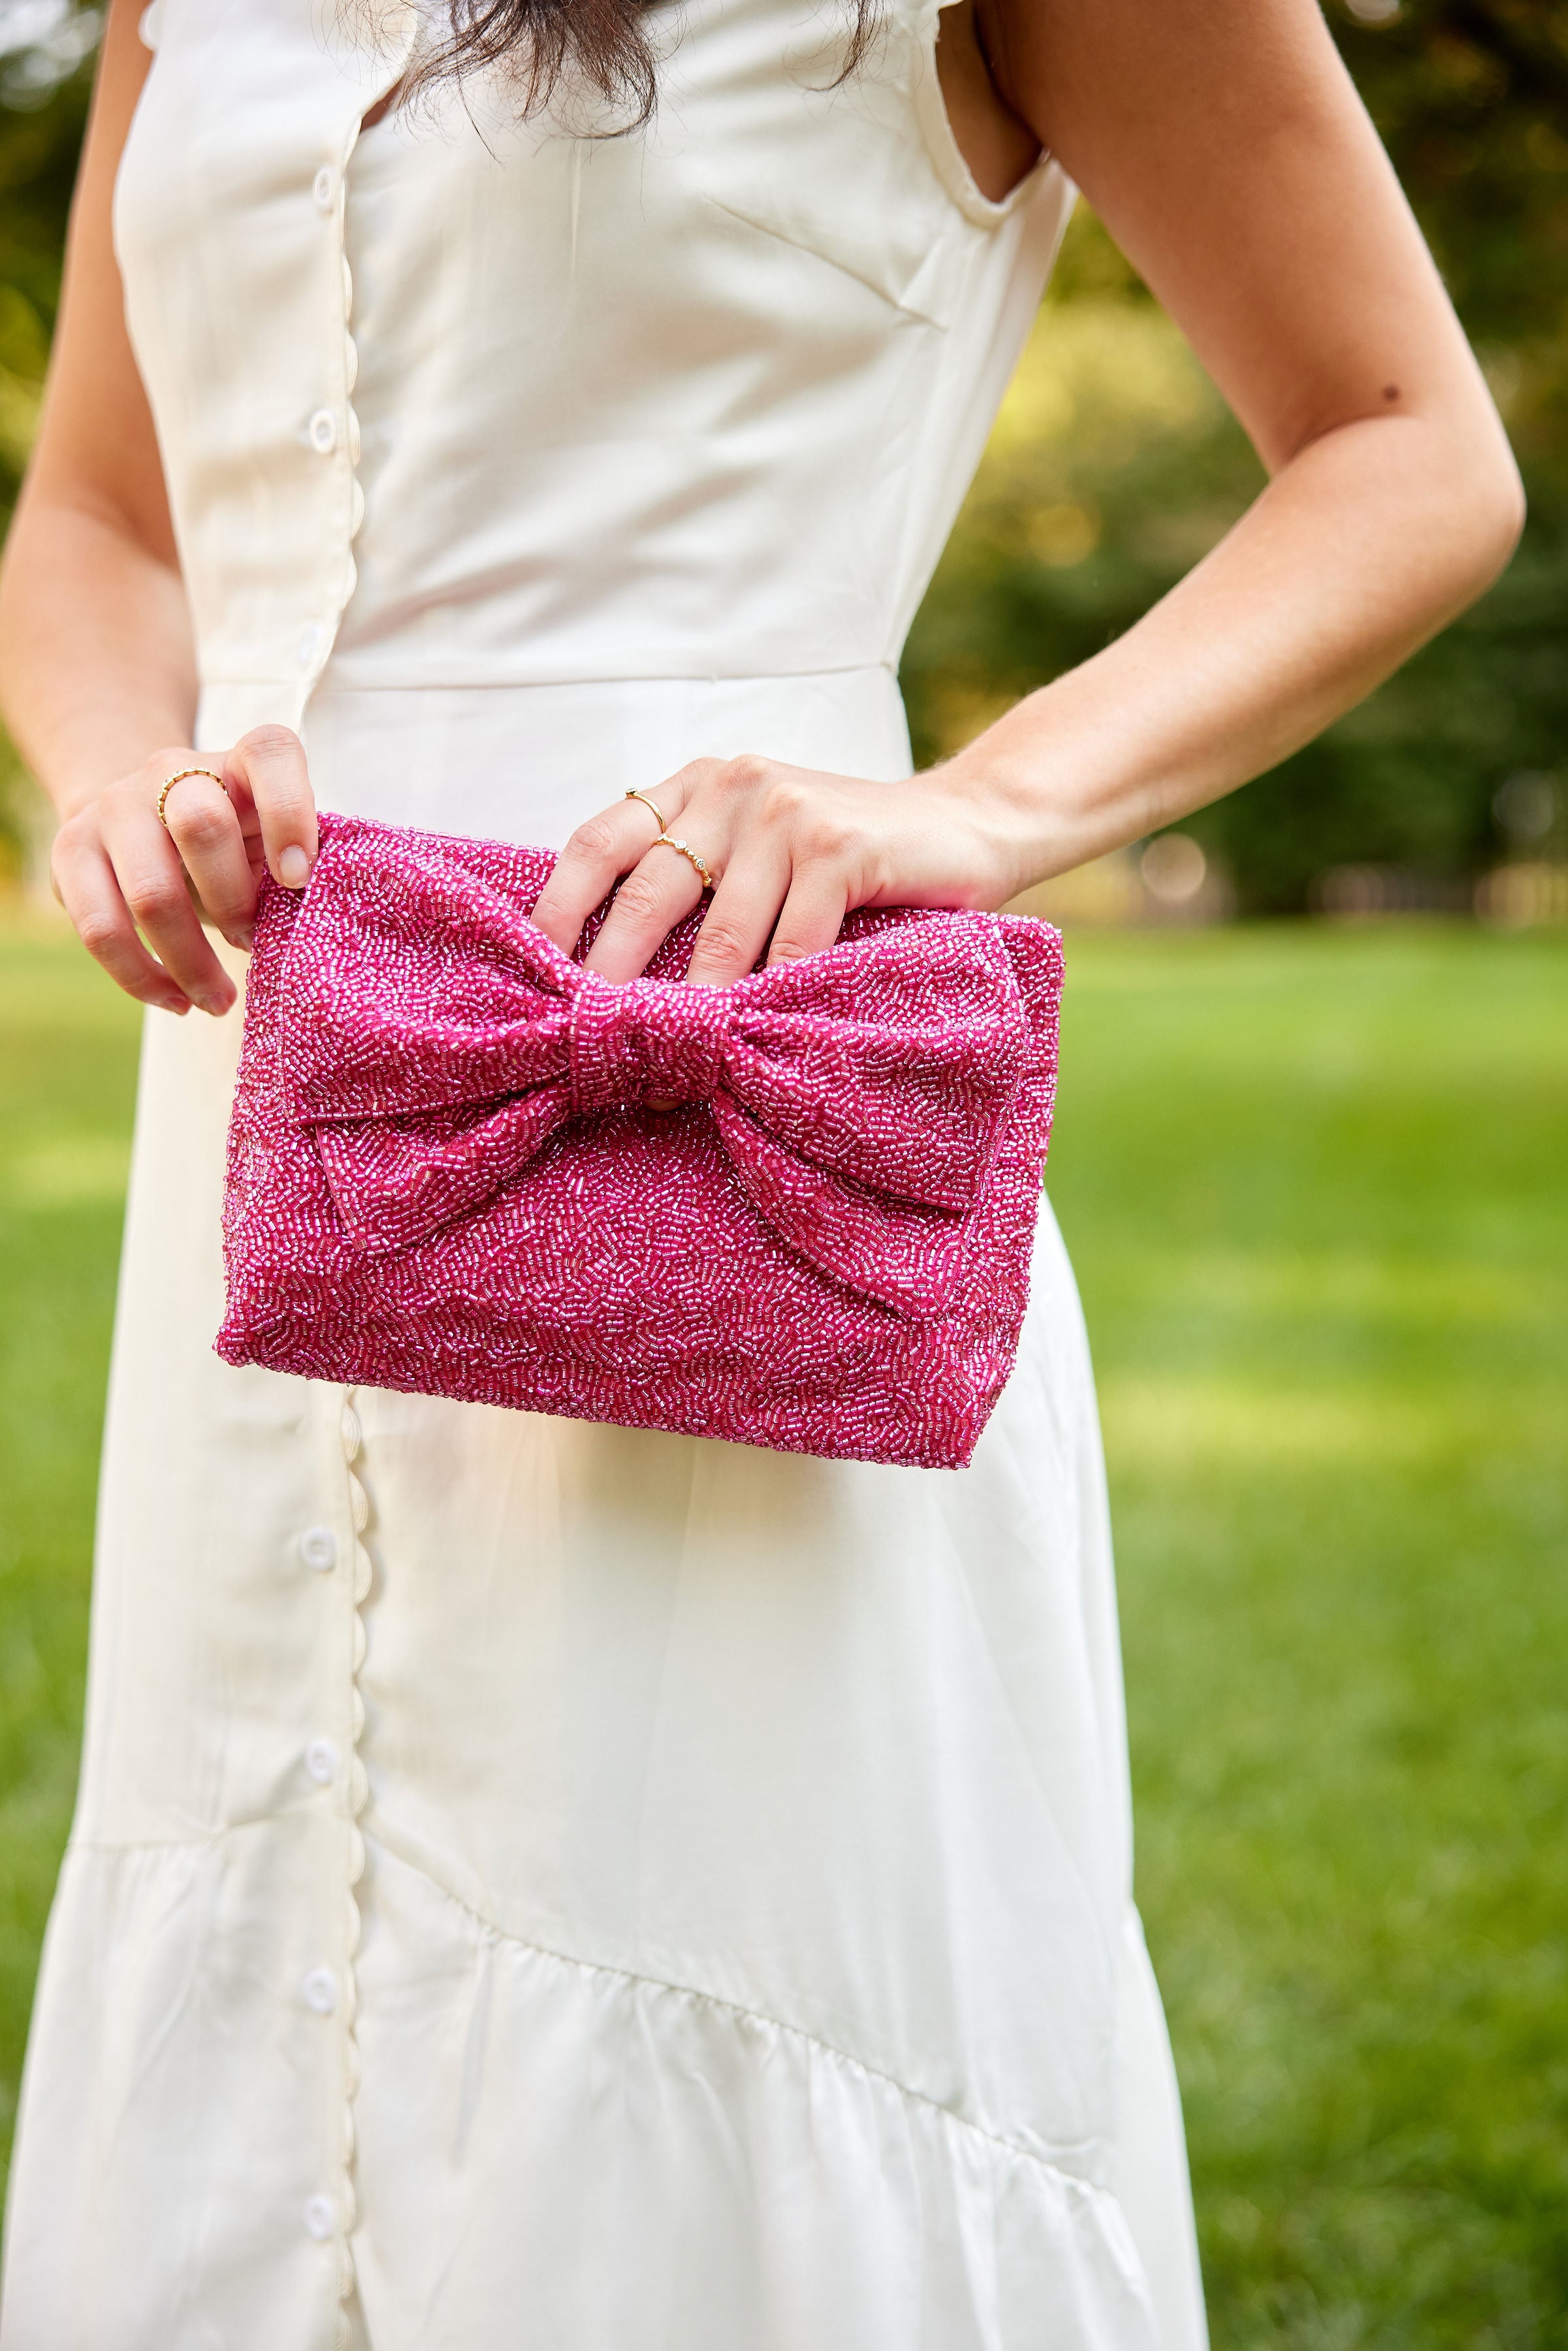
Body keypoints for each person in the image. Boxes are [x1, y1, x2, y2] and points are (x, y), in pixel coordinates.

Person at [0, 0, 1521, 2339]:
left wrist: (982, 807)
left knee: (721, 1918)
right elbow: (103, 516)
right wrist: (119, 764)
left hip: (728, 1076)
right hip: (276, 1086)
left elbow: (1406, 444)